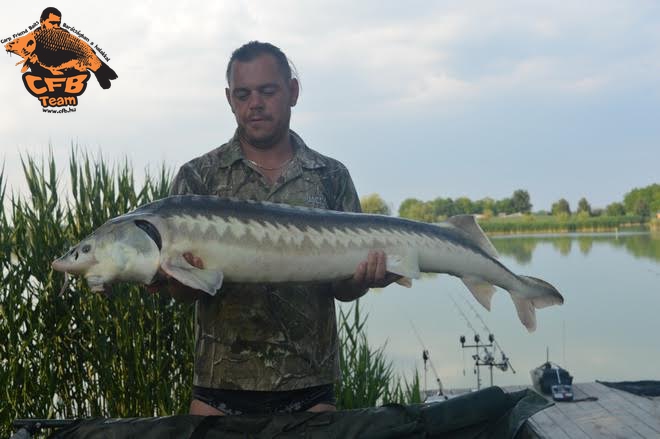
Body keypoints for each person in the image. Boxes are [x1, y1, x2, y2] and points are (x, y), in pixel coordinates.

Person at [154, 41, 398, 416]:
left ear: (293, 92)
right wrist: (175, 276)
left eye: (267, 91)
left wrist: (365, 278)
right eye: (243, 94)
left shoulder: (330, 176)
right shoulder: (198, 177)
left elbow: (343, 290)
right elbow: (185, 296)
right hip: (220, 388)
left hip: (310, 388)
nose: (255, 103)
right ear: (229, 99)